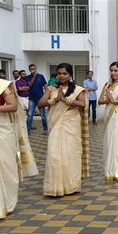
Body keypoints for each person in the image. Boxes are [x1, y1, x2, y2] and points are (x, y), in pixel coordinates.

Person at [38, 63, 89, 196]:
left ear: (70, 74)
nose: (61, 76)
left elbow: (82, 104)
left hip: (71, 123)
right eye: (59, 73)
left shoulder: (77, 89)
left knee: (70, 154)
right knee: (54, 155)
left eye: (64, 73)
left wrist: (64, 99)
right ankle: (55, 187)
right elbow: (41, 103)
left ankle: (71, 186)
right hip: (56, 123)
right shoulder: (50, 89)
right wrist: (55, 100)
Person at [0, 76, 20, 219]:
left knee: (5, 165)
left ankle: (5, 203)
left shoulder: (1, 85)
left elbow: (13, 106)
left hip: (1, 129)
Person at [26, 64, 48, 134]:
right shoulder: (28, 77)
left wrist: (46, 96)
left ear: (36, 69)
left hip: (41, 98)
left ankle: (45, 129)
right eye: (31, 69)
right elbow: (29, 85)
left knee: (43, 115)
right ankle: (28, 130)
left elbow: (45, 86)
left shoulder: (41, 76)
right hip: (32, 98)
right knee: (30, 115)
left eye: (34, 68)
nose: (33, 70)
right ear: (29, 70)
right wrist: (34, 77)